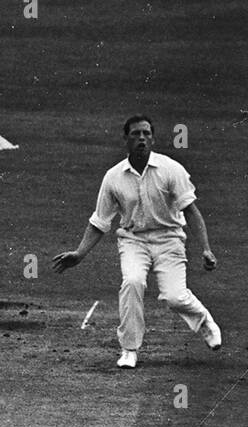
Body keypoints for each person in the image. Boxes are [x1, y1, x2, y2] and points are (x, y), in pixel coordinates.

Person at [51, 114, 221, 368]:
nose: (141, 138)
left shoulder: (171, 169)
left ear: (152, 139)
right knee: (132, 282)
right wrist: (79, 253)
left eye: (146, 134)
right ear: (126, 140)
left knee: (174, 297)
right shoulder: (113, 177)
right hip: (133, 240)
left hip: (169, 239)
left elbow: (191, 211)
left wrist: (206, 249)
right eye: (135, 134)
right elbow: (100, 222)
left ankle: (204, 321)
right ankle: (129, 349)